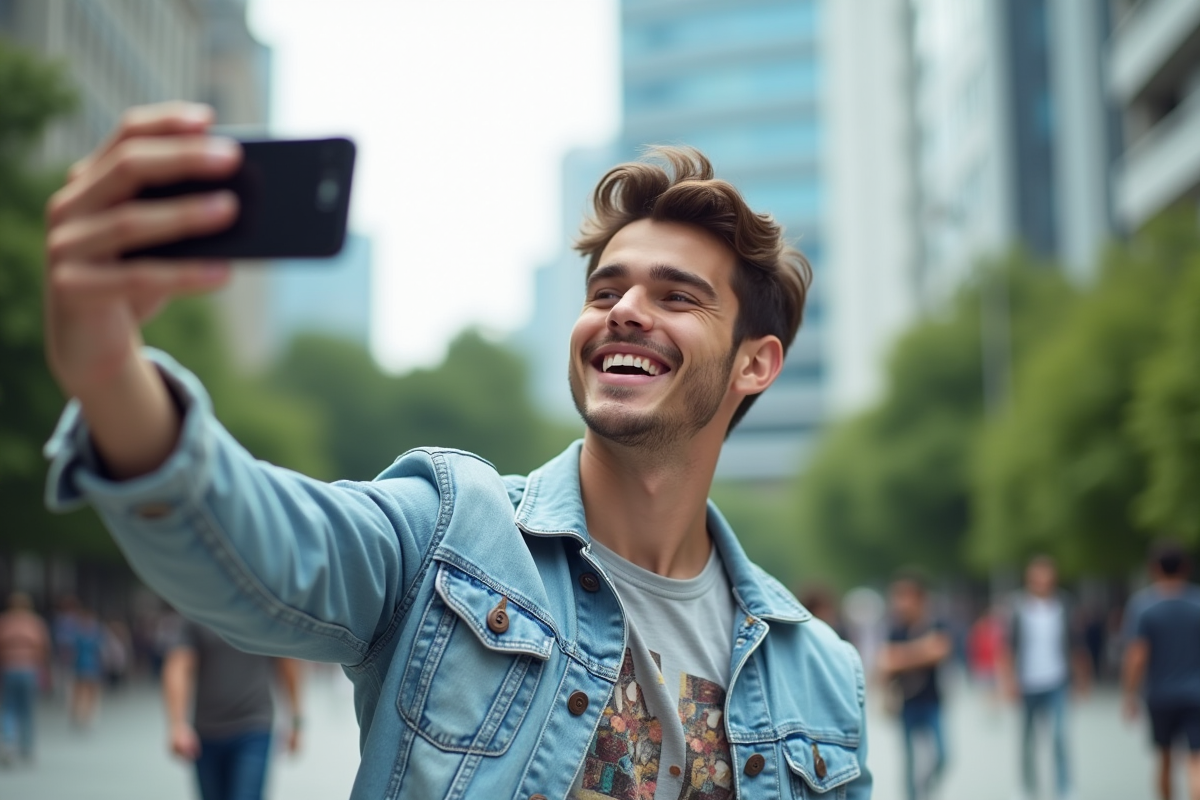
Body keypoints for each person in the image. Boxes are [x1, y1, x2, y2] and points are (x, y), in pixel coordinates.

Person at [39, 102, 870, 799]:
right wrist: (110, 371)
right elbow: (252, 547)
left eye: (675, 296)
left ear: (755, 364)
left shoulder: (822, 672)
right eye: (606, 290)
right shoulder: (446, 535)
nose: (624, 310)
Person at [164, 620, 303, 800]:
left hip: (254, 726)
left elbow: (287, 661)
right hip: (206, 733)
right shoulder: (197, 611)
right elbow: (178, 665)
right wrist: (177, 724)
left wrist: (296, 720)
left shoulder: (263, 608)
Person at [997, 556, 1090, 800]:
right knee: (1026, 739)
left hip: (1057, 679)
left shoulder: (1064, 604)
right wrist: (1007, 680)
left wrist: (1081, 679)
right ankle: (1027, 786)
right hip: (1026, 680)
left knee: (1059, 736)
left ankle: (1064, 786)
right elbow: (1007, 646)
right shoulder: (1016, 606)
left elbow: (1076, 644)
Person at [1122, 542, 1200, 800]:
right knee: (1196, 760)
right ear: (1186, 567)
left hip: (1160, 694)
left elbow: (1137, 656)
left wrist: (1130, 695)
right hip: (1196, 693)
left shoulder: (1143, 606)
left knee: (1164, 759)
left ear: (1154, 569)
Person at [878, 571, 951, 800]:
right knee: (908, 761)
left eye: (905, 596)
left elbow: (940, 651)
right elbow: (885, 663)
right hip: (906, 703)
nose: (900, 603)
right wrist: (923, 650)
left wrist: (902, 657)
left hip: (932, 701)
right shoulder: (895, 630)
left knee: (943, 755)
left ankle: (925, 787)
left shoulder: (935, 623)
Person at [0, 593, 51, 764]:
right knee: (27, 709)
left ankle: (8, 742)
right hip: (29, 668)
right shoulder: (34, 622)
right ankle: (27, 746)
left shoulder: (5, 622)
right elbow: (43, 647)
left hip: (9, 668)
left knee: (9, 707)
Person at [69, 605, 103, 728]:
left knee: (81, 691)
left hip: (83, 664)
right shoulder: (95, 633)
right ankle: (85, 715)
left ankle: (80, 715)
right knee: (88, 692)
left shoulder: (79, 633)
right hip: (90, 665)